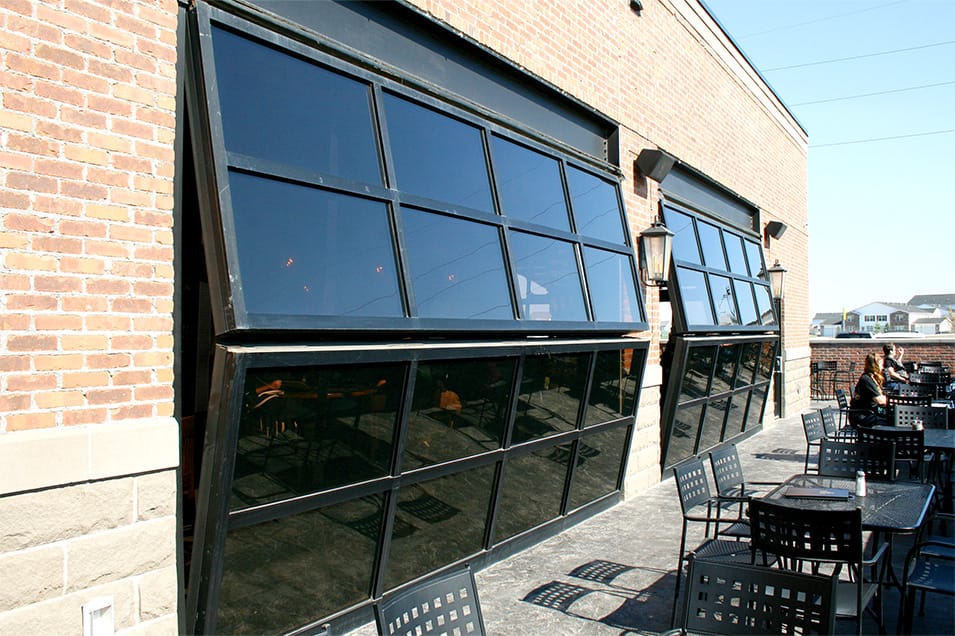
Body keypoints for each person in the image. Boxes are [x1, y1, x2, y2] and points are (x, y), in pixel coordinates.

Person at [849, 352, 887, 428]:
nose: (882, 368)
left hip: (868, 413)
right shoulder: (866, 379)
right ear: (875, 366)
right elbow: (880, 400)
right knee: (889, 421)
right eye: (881, 365)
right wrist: (895, 401)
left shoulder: (871, 378)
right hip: (862, 417)